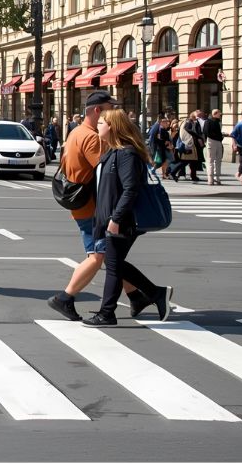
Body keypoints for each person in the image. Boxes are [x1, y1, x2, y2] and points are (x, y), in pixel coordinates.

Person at [47, 92, 145, 321]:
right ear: (98, 111)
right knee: (99, 256)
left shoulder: (76, 132)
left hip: (84, 206)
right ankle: (65, 297)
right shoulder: (92, 138)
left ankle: (137, 296)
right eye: (109, 107)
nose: (113, 110)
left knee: (110, 257)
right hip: (93, 208)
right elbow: (107, 173)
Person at [81, 109, 173, 327]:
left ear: (112, 127)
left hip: (122, 220)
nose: (98, 126)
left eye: (101, 122)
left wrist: (115, 218)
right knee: (115, 264)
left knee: (113, 266)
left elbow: (130, 189)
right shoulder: (112, 152)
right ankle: (155, 293)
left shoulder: (127, 154)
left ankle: (107, 313)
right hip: (109, 218)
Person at [205, 109, 224, 185]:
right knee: (212, 161)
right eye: (219, 114)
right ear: (215, 114)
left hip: (215, 141)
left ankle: (216, 178)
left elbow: (206, 132)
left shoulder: (216, 121)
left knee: (216, 160)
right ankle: (212, 179)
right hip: (212, 141)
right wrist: (219, 137)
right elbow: (206, 132)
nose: (220, 115)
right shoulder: (209, 121)